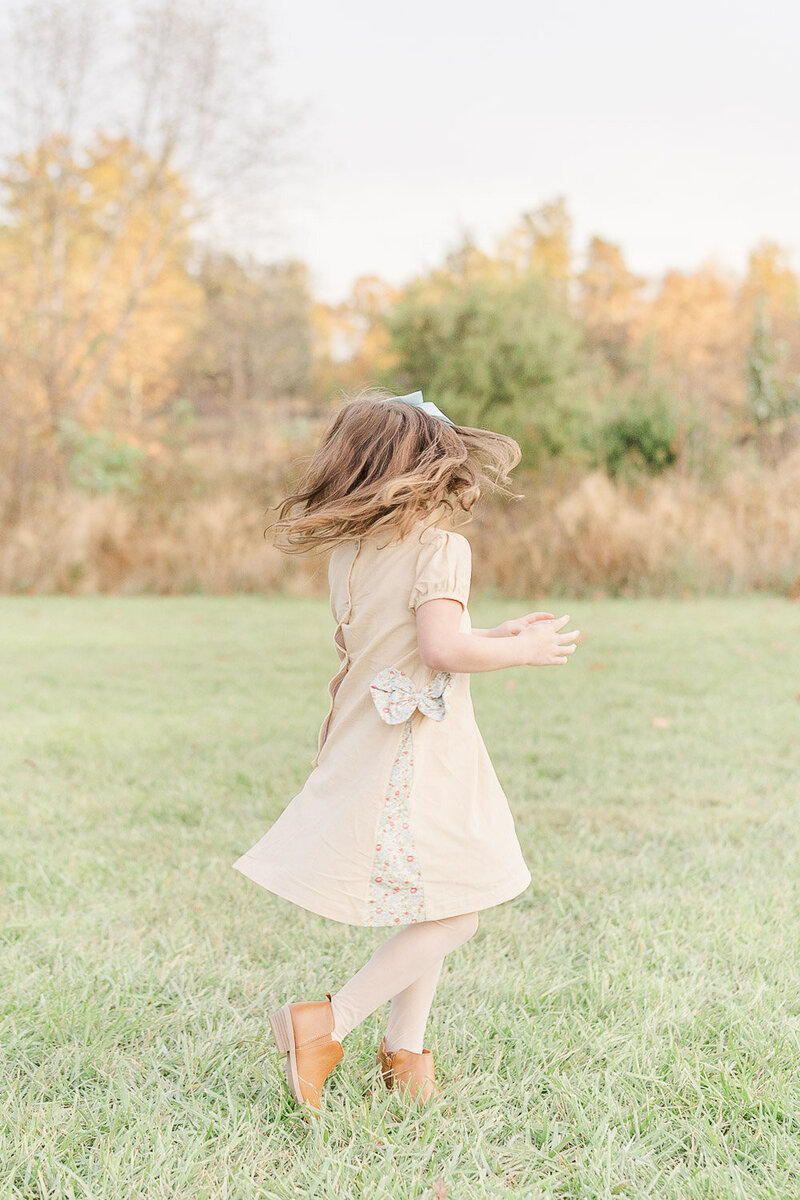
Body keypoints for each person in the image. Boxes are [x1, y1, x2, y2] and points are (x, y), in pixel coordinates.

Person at [232, 388, 580, 1114]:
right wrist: (526, 652)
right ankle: (325, 1023)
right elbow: (440, 647)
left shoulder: (354, 552)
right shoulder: (441, 548)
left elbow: (400, 643)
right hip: (420, 751)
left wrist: (500, 634)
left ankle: (406, 1054)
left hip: (369, 732)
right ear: (429, 468)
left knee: (436, 897)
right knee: (461, 909)